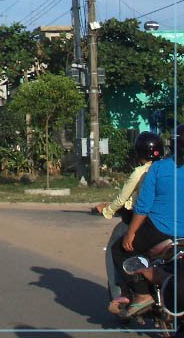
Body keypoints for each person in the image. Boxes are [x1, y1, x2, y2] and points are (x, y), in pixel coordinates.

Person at [112, 124, 184, 318]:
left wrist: (130, 233)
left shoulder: (159, 168)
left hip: (161, 230)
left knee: (119, 250)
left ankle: (143, 294)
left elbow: (143, 207)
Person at [94, 131, 162, 314]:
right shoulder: (168, 168)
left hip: (143, 220)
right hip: (168, 221)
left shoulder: (141, 173)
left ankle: (122, 293)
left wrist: (108, 210)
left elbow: (128, 200)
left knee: (117, 248)